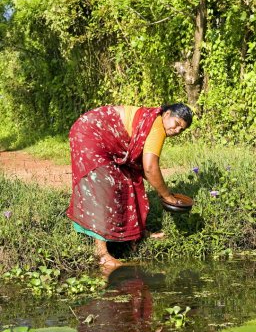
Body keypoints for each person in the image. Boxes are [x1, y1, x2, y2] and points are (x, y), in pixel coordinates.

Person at [66, 103, 193, 271]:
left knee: (128, 180)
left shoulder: (154, 120)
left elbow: (144, 169)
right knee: (103, 190)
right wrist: (167, 196)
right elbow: (150, 168)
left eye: (181, 130)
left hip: (91, 130)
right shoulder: (157, 126)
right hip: (90, 133)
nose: (176, 131)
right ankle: (102, 255)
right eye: (176, 124)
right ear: (167, 114)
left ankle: (136, 235)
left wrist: (162, 191)